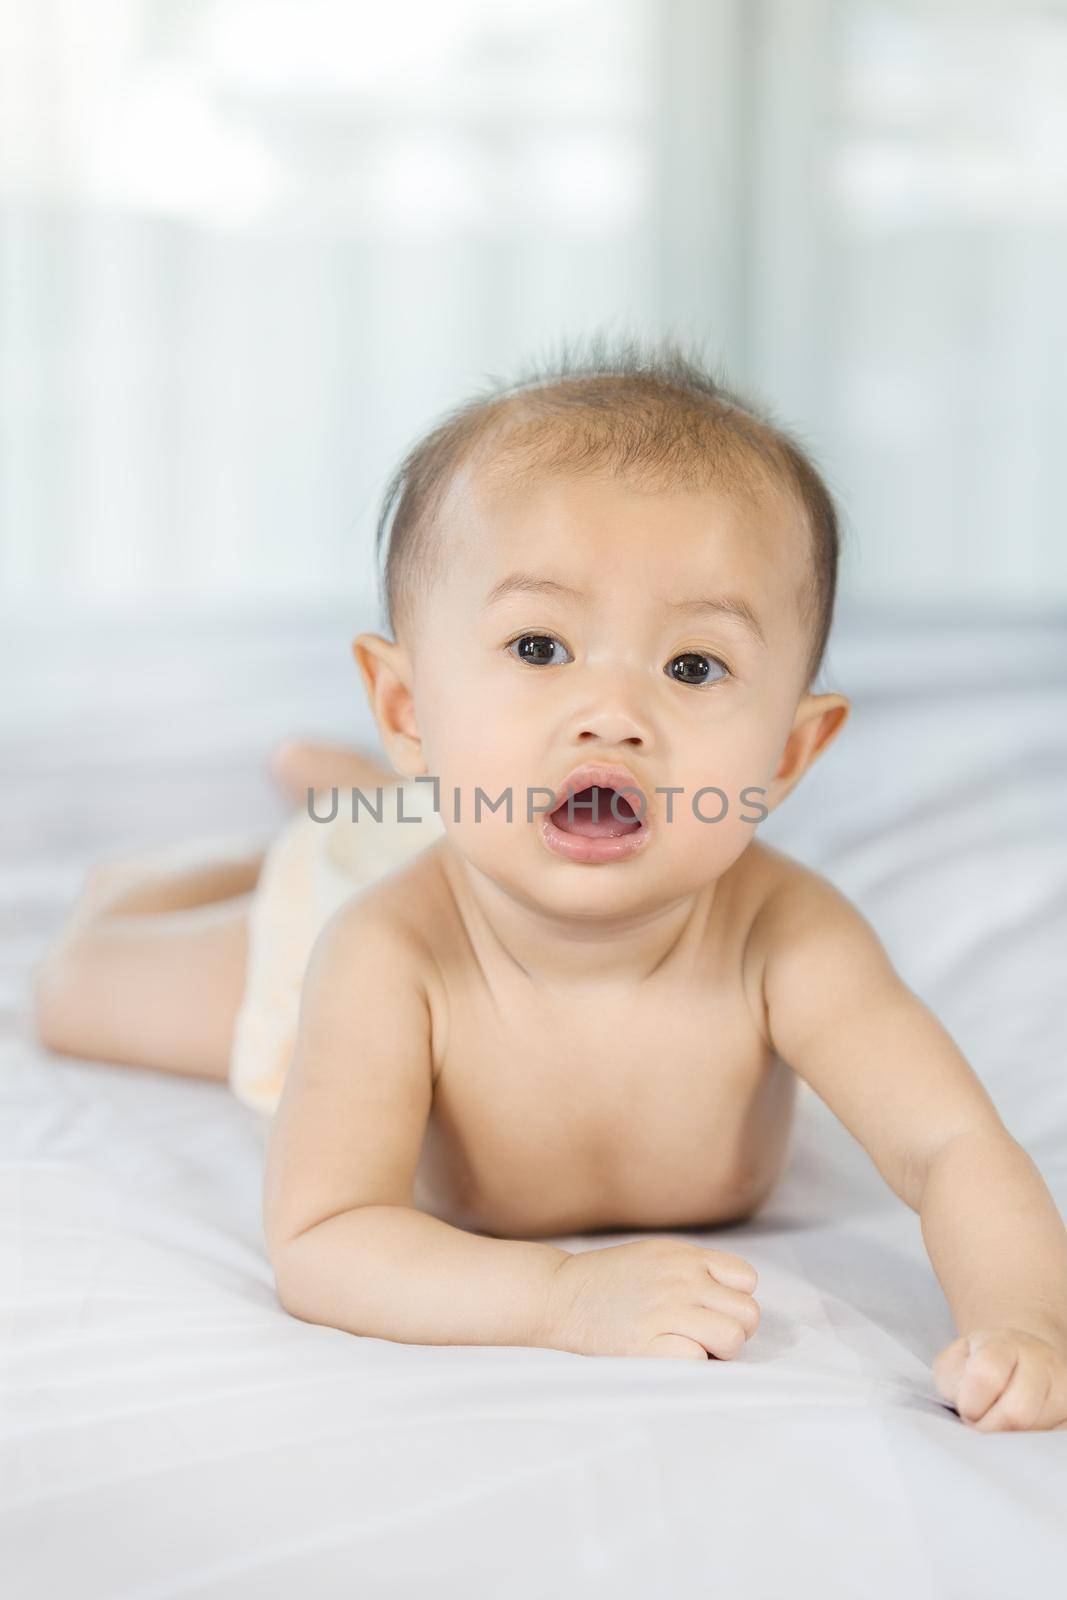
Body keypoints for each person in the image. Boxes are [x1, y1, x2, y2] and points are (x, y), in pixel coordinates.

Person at [31, 334, 1067, 1432]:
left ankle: (358, 793)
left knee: (426, 809)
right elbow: (326, 1237)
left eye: (692, 665)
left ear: (785, 755)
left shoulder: (789, 939)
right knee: (77, 987)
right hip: (326, 923)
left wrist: (1028, 1321)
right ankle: (277, 833)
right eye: (537, 647)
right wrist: (559, 1295)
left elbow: (953, 1147)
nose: (613, 712)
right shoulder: (385, 953)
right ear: (407, 708)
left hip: (472, 809)